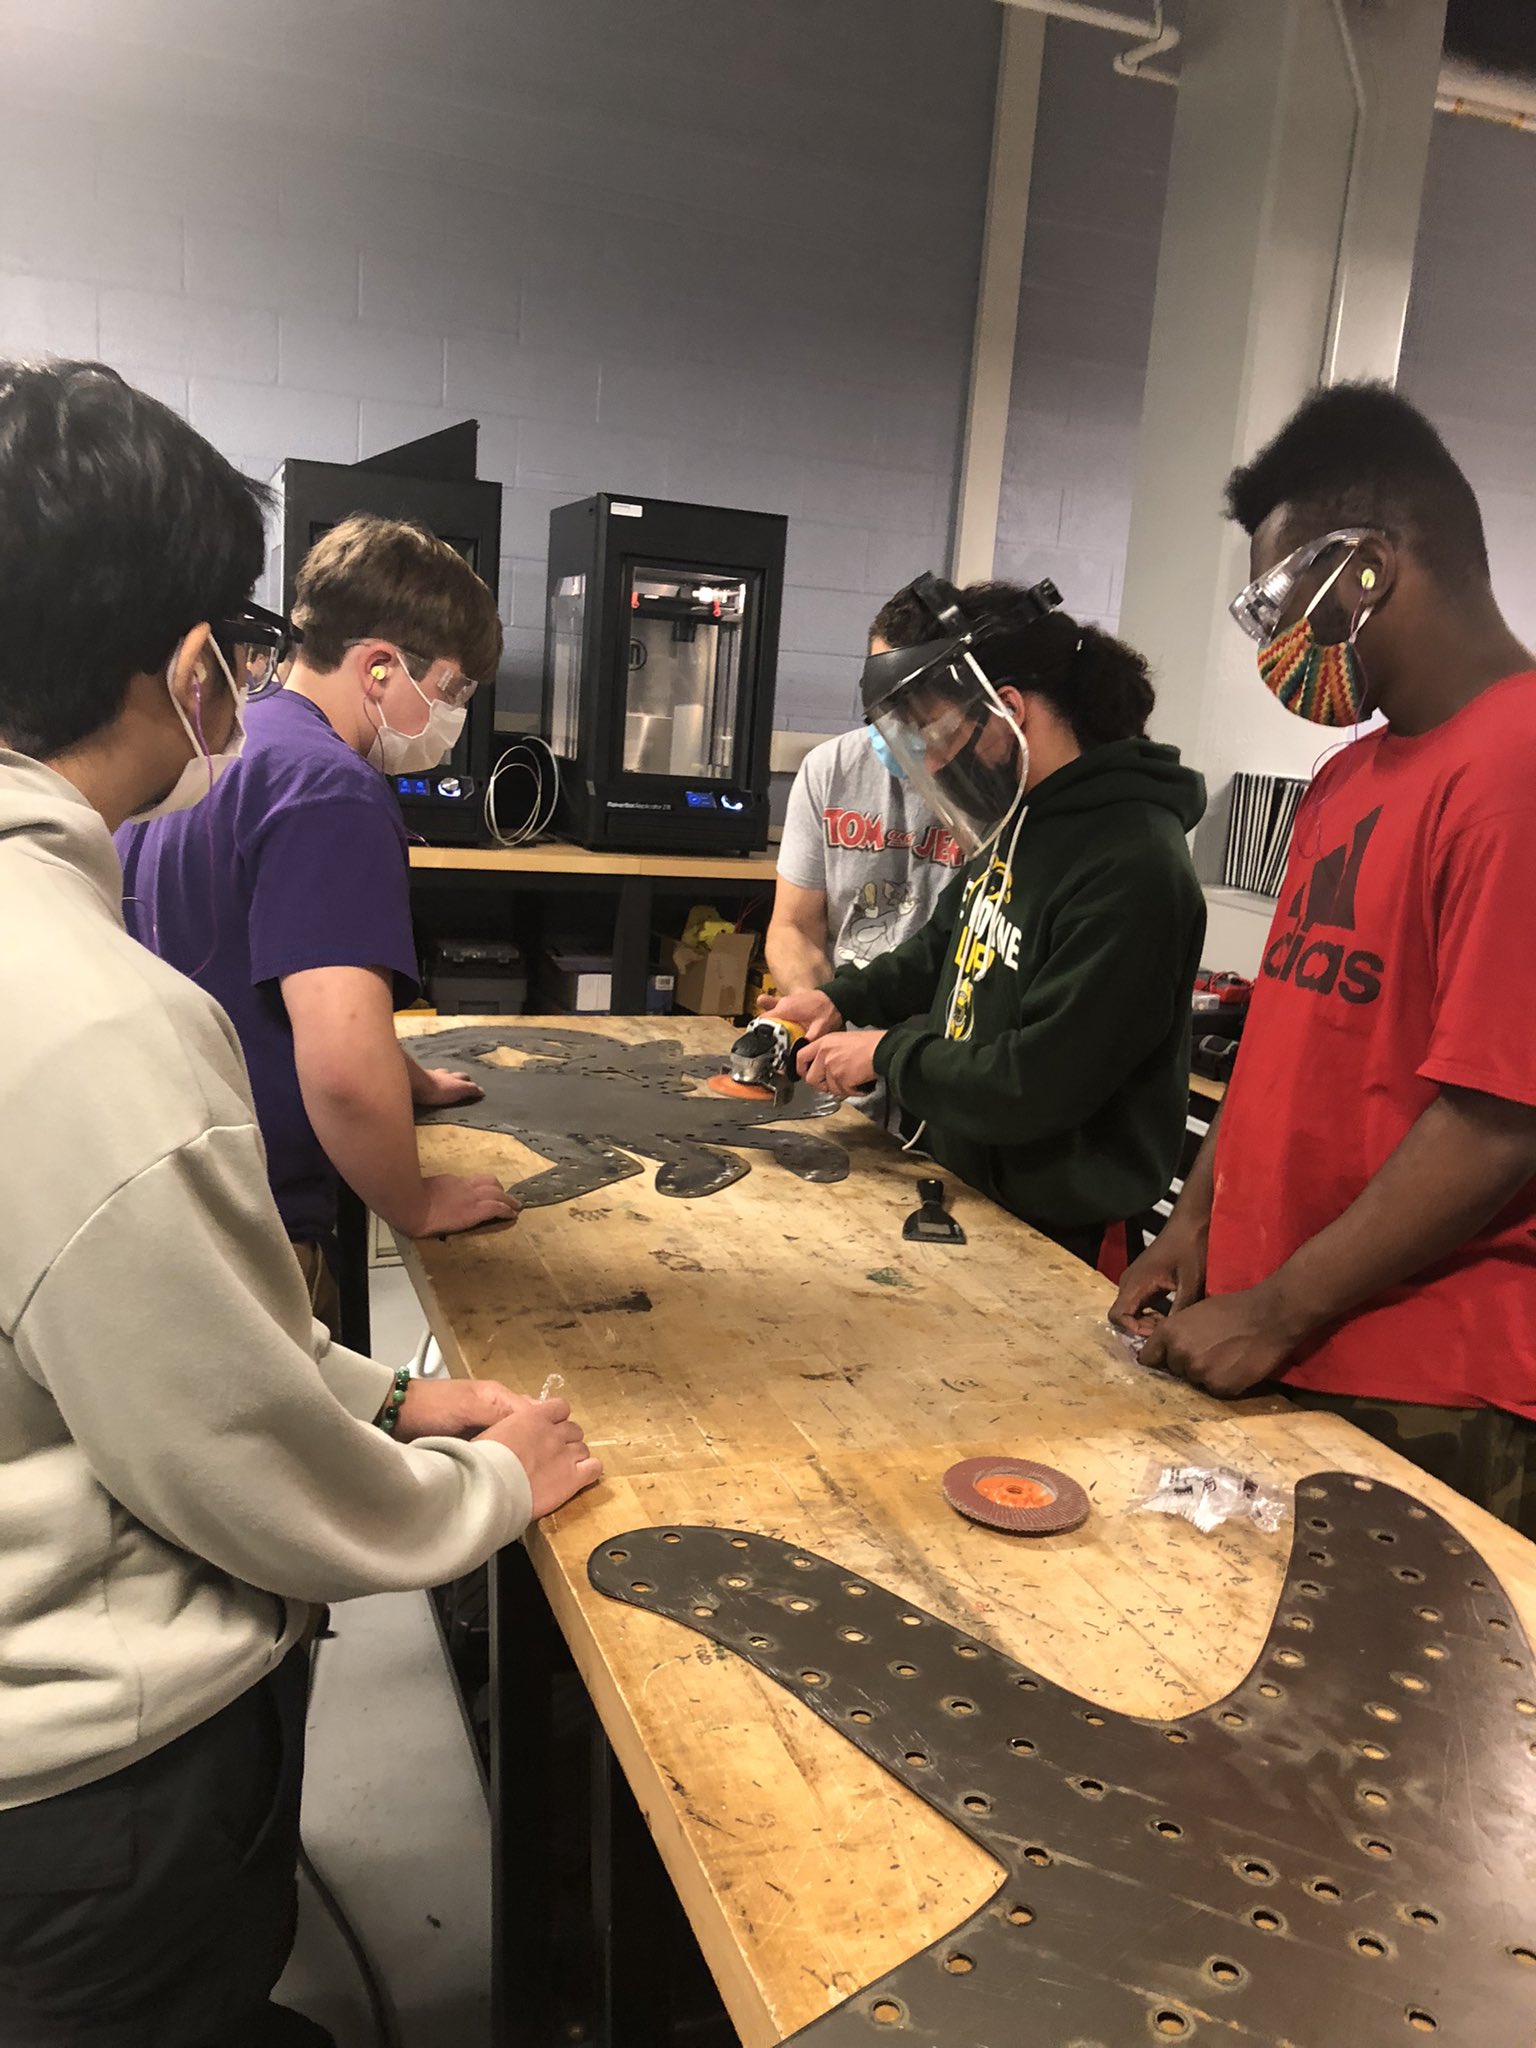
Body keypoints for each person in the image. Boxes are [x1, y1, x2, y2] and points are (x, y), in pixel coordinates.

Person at [0, 359, 599, 2046]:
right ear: (187, 660)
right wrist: (473, 1479)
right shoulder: (91, 1022)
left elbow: (128, 1298)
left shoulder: (108, 894)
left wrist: (391, 1384)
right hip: (93, 1789)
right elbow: (231, 1439)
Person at [1112, 382, 1536, 1531]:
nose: (1276, 641)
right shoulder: (1351, 777)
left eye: (1282, 595)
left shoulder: (1517, 765)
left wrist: (1282, 1305)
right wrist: (1199, 1218)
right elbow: (1287, 1036)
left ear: (1372, 567)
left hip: (1423, 1380)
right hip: (1278, 1337)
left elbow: (1499, 1115)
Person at [118, 513, 518, 1332]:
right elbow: (337, 1066)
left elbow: (252, 964)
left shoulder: (220, 741)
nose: (454, 718)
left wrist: (400, 1072)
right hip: (257, 1235)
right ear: (379, 667)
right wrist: (412, 1199)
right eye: (451, 692)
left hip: (164, 1190)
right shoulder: (333, 792)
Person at [763, 574, 1206, 1264]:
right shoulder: (1022, 816)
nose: (929, 763)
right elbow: (943, 946)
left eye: (932, 736)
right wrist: (838, 998)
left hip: (1063, 1229)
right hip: (972, 1187)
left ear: (1006, 711)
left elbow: (1038, 1083)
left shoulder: (1132, 866)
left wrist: (885, 1053)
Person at [766, 712, 963, 993]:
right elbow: (794, 927)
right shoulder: (829, 768)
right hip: (844, 1009)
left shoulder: (992, 782)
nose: (901, 723)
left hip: (947, 1019)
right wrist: (812, 1007)